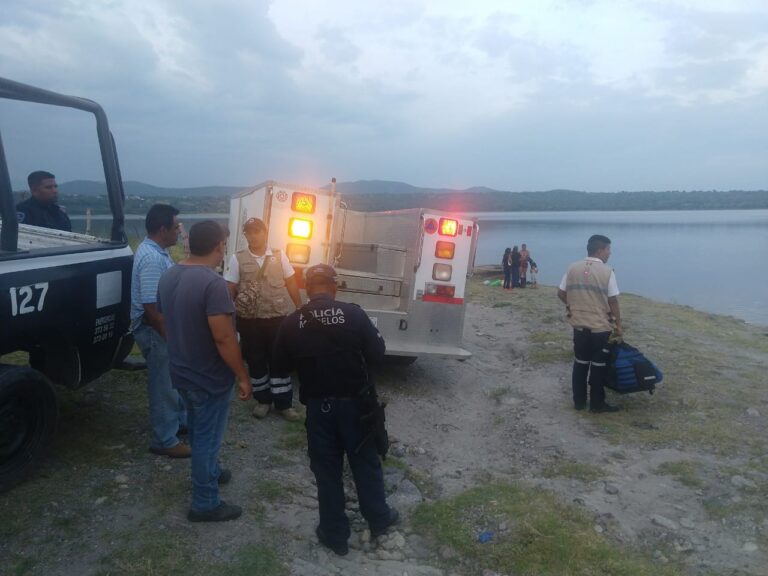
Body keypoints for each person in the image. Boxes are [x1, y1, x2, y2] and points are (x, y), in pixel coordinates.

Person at [272, 263, 399, 556]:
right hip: (357, 408)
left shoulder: (291, 322)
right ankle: (379, 519)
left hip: (319, 410)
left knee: (326, 471)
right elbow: (377, 354)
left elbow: (278, 366)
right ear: (334, 286)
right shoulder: (353, 314)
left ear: (306, 288)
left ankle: (334, 534)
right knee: (365, 464)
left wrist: (284, 401)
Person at [158, 220, 251, 522]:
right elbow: (223, 337)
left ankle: (210, 471)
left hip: (181, 371)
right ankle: (205, 502)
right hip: (208, 377)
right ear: (219, 246)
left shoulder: (170, 274)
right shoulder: (213, 284)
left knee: (199, 430)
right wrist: (242, 374)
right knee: (207, 440)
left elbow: (165, 319)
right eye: (224, 243)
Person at [225, 217, 302, 421]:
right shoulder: (237, 258)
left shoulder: (279, 255)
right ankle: (263, 401)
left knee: (280, 361)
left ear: (265, 232)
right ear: (245, 235)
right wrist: (229, 314)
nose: (253, 236)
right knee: (256, 360)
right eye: (249, 232)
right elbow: (230, 288)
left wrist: (300, 306)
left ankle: (284, 404)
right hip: (249, 321)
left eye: (257, 231)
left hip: (277, 318)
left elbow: (291, 282)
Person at [130, 204, 189, 458]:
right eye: (176, 226)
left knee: (173, 380)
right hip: (154, 330)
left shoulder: (158, 251)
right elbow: (151, 308)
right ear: (163, 229)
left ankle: (178, 423)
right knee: (163, 383)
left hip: (162, 328)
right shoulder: (152, 258)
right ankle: (164, 440)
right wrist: (169, 336)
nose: (179, 231)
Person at [558, 235, 623, 413]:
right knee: (598, 366)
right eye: (608, 249)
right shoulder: (607, 272)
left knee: (580, 363)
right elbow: (613, 301)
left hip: (579, 326)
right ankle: (597, 404)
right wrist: (618, 325)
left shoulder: (572, 268)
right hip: (600, 328)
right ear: (600, 250)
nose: (610, 253)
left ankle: (578, 402)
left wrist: (573, 306)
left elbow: (561, 292)